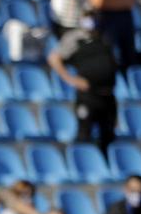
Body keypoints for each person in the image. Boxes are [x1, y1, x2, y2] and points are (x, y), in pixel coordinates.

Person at [49, 12, 118, 156]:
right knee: (84, 133)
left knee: (108, 135)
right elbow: (54, 58)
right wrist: (70, 79)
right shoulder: (75, 38)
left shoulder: (104, 37)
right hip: (88, 95)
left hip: (107, 94)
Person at [85, 0, 141, 68]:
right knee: (108, 51)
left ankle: (128, 77)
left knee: (129, 52)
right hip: (107, 14)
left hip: (125, 14)